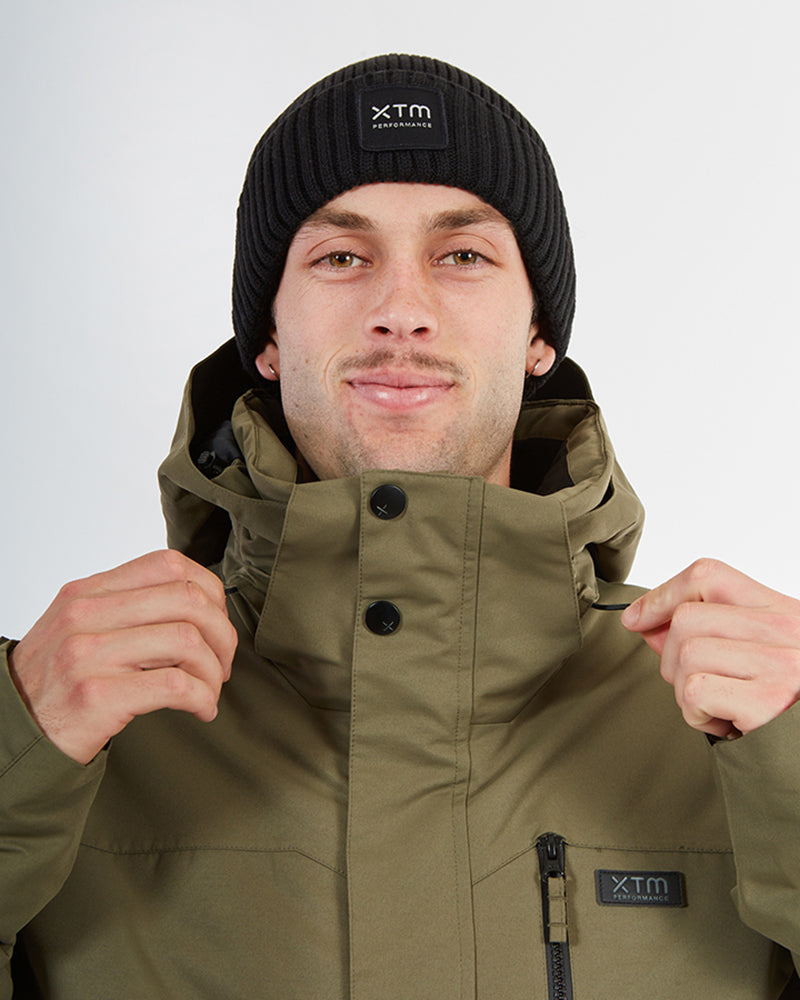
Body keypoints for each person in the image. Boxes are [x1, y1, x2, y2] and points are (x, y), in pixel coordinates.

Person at [2, 53, 799, 999]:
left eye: (463, 255)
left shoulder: (736, 726)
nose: (401, 312)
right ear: (268, 337)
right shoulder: (73, 719)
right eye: (342, 256)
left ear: (539, 334)